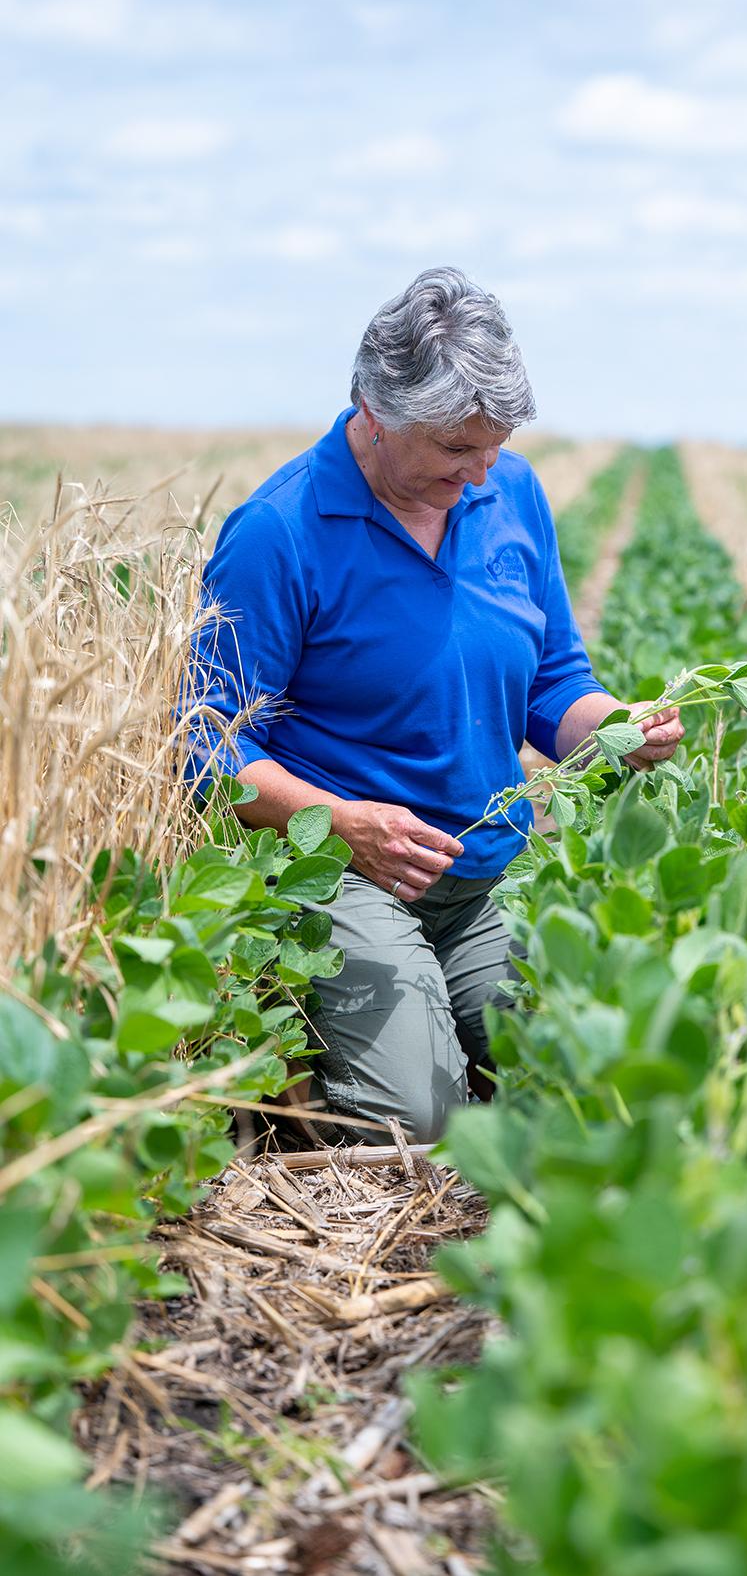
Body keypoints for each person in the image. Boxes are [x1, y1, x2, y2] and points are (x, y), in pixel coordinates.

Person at [187, 267, 683, 1144]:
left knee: (584, 1074)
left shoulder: (511, 493)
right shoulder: (279, 533)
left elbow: (552, 680)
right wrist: (343, 824)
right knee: (417, 1119)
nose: (480, 470)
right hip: (348, 876)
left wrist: (612, 726)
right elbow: (207, 750)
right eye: (457, 449)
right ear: (375, 414)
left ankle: (439, 1022)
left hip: (483, 879)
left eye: (493, 446)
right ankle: (326, 1034)